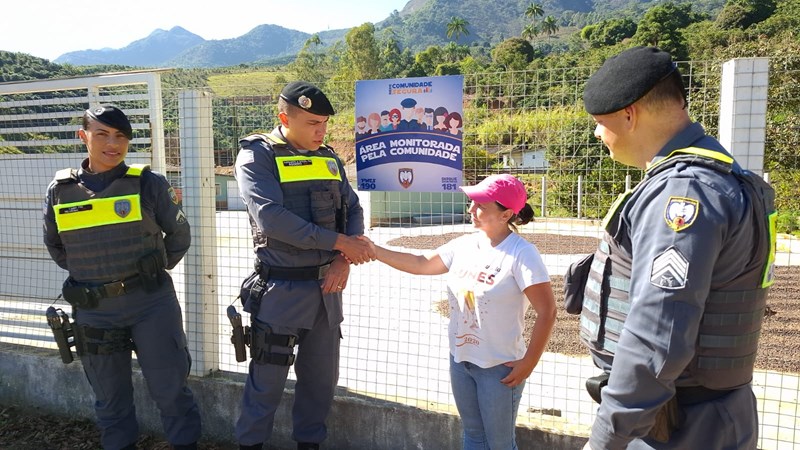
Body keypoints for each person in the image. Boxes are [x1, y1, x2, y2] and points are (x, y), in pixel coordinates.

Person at [571, 46, 776, 449]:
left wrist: (605, 438)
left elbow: (658, 334)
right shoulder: (719, 172)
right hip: (704, 414)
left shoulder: (683, 194)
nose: (598, 134)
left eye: (600, 122)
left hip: (677, 425)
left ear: (629, 114)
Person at [43, 105, 202, 450]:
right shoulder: (61, 190)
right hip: (95, 309)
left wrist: (151, 270)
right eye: (102, 134)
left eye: (120, 137)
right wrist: (94, 274)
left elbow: (179, 235)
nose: (112, 144)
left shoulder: (148, 183)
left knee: (171, 392)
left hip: (150, 304)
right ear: (83, 136)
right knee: (110, 402)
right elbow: (55, 245)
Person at [363, 174, 557, 450]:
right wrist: (374, 250)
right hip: (461, 360)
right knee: (473, 436)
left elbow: (548, 311)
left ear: (507, 215)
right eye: (471, 203)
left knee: (500, 444)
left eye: (480, 206)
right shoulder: (464, 244)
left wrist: (529, 362)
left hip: (499, 368)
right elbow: (420, 263)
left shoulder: (522, 254)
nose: (471, 210)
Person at [233, 81, 374, 450]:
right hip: (281, 290)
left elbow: (353, 208)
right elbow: (271, 218)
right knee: (266, 384)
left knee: (320, 384)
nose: (321, 131)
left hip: (327, 290)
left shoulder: (328, 157)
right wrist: (339, 242)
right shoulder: (257, 156)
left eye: (324, 123)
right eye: (313, 123)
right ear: (285, 118)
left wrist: (343, 258)